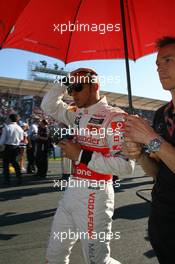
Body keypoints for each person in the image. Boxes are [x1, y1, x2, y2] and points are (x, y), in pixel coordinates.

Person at [41, 68, 134, 264]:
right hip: (72, 191)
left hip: (96, 195)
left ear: (95, 87)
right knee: (54, 256)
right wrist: (64, 81)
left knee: (98, 261)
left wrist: (82, 155)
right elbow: (48, 105)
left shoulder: (115, 118)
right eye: (70, 89)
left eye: (78, 87)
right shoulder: (77, 115)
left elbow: (126, 166)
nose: (73, 93)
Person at [124, 36, 175, 264]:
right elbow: (157, 173)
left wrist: (151, 139)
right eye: (157, 64)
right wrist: (140, 155)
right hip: (161, 221)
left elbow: (156, 144)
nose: (160, 69)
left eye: (168, 60)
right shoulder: (160, 114)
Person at [0, 113, 24, 185]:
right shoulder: (20, 128)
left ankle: (7, 180)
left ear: (10, 119)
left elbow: (2, 140)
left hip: (8, 147)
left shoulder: (7, 127)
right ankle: (19, 177)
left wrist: (1, 145)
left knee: (6, 164)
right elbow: (21, 138)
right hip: (16, 147)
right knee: (15, 163)